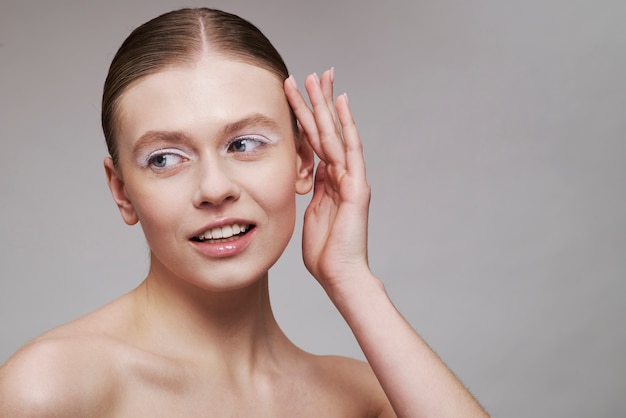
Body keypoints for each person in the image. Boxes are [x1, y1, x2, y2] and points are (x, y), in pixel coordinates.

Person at [0, 7, 489, 417]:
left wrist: (352, 281)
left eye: (244, 144)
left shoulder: (364, 399)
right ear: (122, 190)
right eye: (164, 159)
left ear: (302, 161)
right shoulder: (49, 390)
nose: (214, 188)